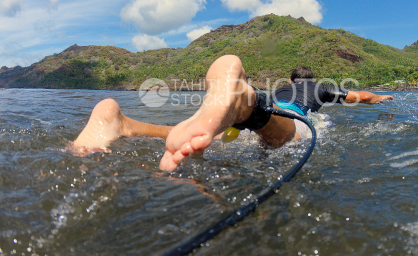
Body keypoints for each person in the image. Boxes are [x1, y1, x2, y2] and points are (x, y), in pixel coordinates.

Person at [72, 55, 393, 171]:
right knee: (287, 134)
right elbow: (360, 96)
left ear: (292, 80)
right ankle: (245, 106)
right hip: (284, 122)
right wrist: (379, 98)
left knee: (205, 134)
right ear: (308, 81)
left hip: (262, 110)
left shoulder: (281, 89)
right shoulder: (320, 88)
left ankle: (124, 124)